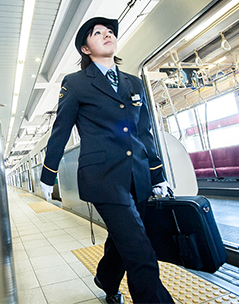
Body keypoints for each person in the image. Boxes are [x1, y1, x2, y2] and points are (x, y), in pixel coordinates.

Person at [40, 17, 174, 304]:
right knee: (140, 249)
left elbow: (143, 132)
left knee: (123, 239)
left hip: (137, 175)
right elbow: (61, 129)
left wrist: (157, 174)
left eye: (110, 32)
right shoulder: (75, 84)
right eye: (98, 33)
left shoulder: (134, 83)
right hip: (103, 178)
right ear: (85, 49)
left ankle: (106, 278)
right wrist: (47, 175)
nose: (107, 35)